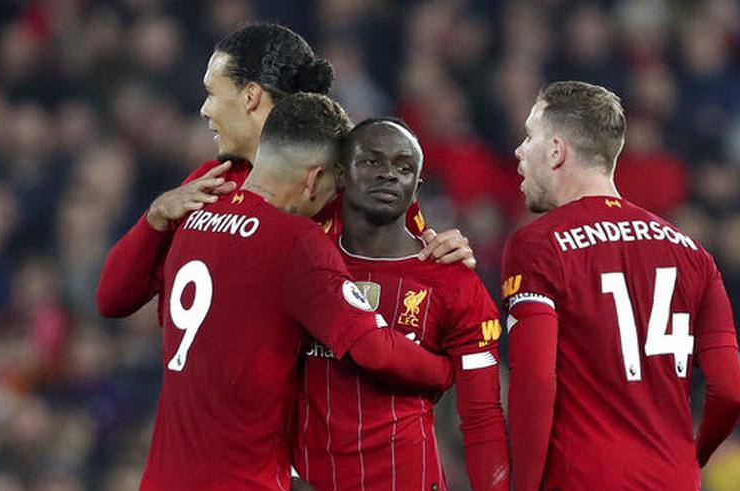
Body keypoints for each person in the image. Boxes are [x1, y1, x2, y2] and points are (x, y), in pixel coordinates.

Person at [111, 92, 455, 491]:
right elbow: (371, 348)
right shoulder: (296, 242)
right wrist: (442, 367)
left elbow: (118, 295)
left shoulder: (197, 214)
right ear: (318, 177)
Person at [503, 81, 740, 491]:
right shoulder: (693, 254)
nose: (519, 151)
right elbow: (730, 392)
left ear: (558, 150)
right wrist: (684, 461)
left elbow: (533, 380)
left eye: (530, 136)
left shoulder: (536, 245)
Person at [291, 119, 510, 491]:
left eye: (404, 167)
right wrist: (283, 479)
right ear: (341, 173)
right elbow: (251, 389)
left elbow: (487, 424)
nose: (388, 174)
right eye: (372, 161)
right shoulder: (297, 267)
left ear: (418, 186)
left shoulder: (453, 285)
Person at [96, 22, 473, 326]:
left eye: (212, 92)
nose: (204, 110)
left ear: (251, 97)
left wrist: (448, 263)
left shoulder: (352, 184)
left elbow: (424, 285)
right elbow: (112, 300)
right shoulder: (210, 183)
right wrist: (155, 217)